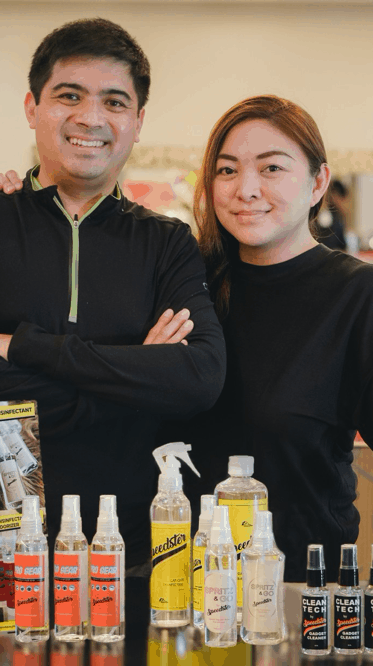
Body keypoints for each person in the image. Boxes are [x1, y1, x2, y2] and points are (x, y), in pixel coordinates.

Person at [1, 95, 373, 582]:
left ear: (318, 183)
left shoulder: (357, 294)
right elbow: (77, 378)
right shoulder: (180, 278)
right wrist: (23, 209)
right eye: (226, 170)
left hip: (293, 587)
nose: (246, 189)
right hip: (163, 585)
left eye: (271, 168)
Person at [0, 18, 226, 572]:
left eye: (115, 101)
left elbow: (199, 377)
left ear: (138, 121)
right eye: (69, 95)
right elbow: (165, 384)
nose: (91, 117)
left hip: (132, 555)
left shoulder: (167, 242)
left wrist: (21, 348)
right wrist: (138, 378)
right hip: (6, 552)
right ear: (32, 107)